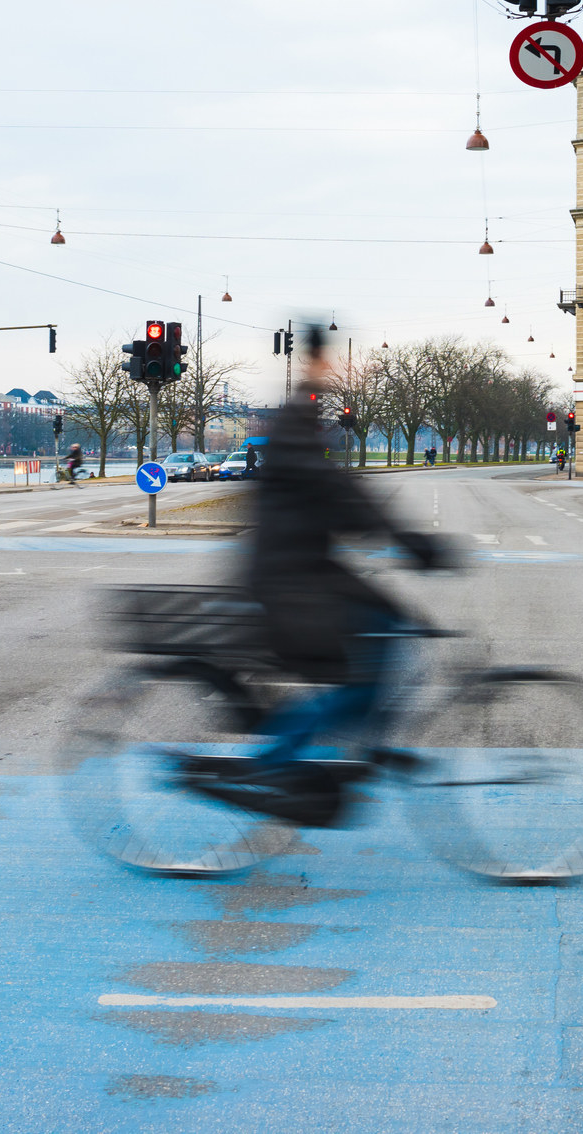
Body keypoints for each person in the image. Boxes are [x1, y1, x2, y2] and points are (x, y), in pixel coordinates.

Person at [188, 326, 449, 825]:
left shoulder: (305, 425)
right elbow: (336, 492)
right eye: (323, 366)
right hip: (289, 580)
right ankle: (273, 764)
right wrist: (409, 539)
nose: (329, 376)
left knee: (390, 622)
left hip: (303, 571)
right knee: (361, 669)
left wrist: (393, 533)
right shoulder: (294, 426)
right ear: (310, 366)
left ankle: (368, 741)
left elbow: (336, 495)